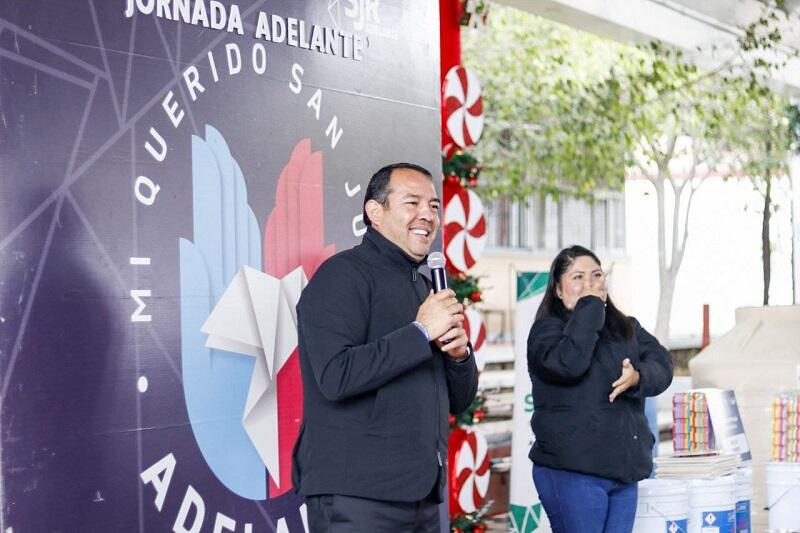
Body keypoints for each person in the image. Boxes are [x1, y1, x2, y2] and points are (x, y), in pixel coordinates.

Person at [292, 163, 479, 532]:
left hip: (420, 495)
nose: (427, 215)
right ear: (375, 212)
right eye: (412, 203)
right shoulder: (341, 275)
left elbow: (456, 401)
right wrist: (420, 331)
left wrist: (460, 357)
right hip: (358, 497)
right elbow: (335, 376)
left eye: (434, 206)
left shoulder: (425, 288)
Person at [527, 245, 673, 533]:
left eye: (596, 275)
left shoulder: (626, 327)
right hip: (573, 471)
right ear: (558, 289)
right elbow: (569, 364)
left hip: (622, 470)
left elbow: (662, 363)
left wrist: (638, 377)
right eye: (578, 277)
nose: (589, 284)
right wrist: (591, 305)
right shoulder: (547, 330)